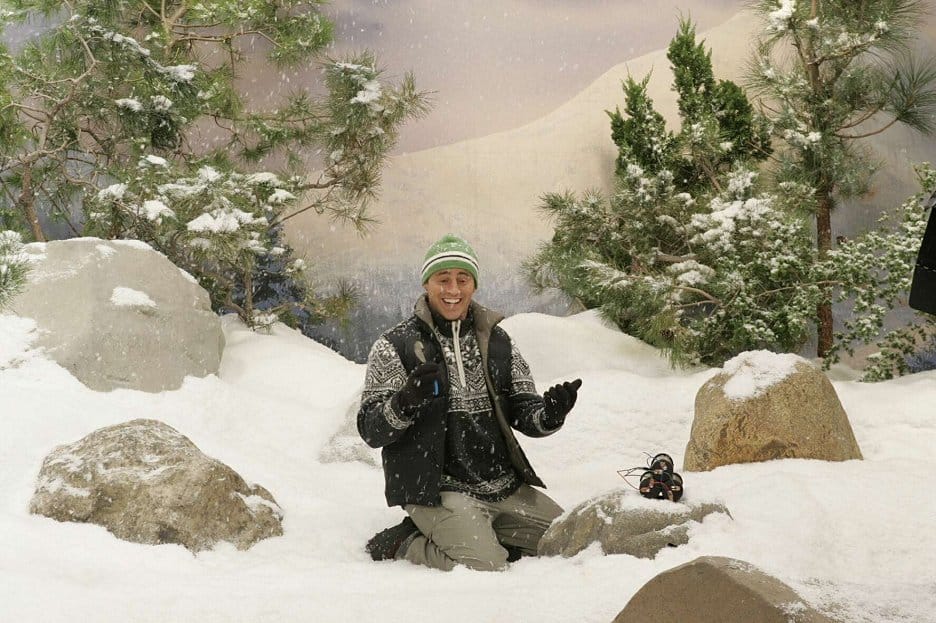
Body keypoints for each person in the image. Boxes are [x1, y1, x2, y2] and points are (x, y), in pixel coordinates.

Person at [357, 233, 582, 571]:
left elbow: (525, 411)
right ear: (426, 284)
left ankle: (478, 532)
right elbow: (371, 431)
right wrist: (405, 401)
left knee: (571, 543)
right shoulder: (394, 346)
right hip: (436, 488)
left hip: (502, 485)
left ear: (474, 285)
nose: (453, 290)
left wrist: (550, 415)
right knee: (488, 566)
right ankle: (405, 542)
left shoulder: (500, 342)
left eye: (462, 279)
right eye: (442, 279)